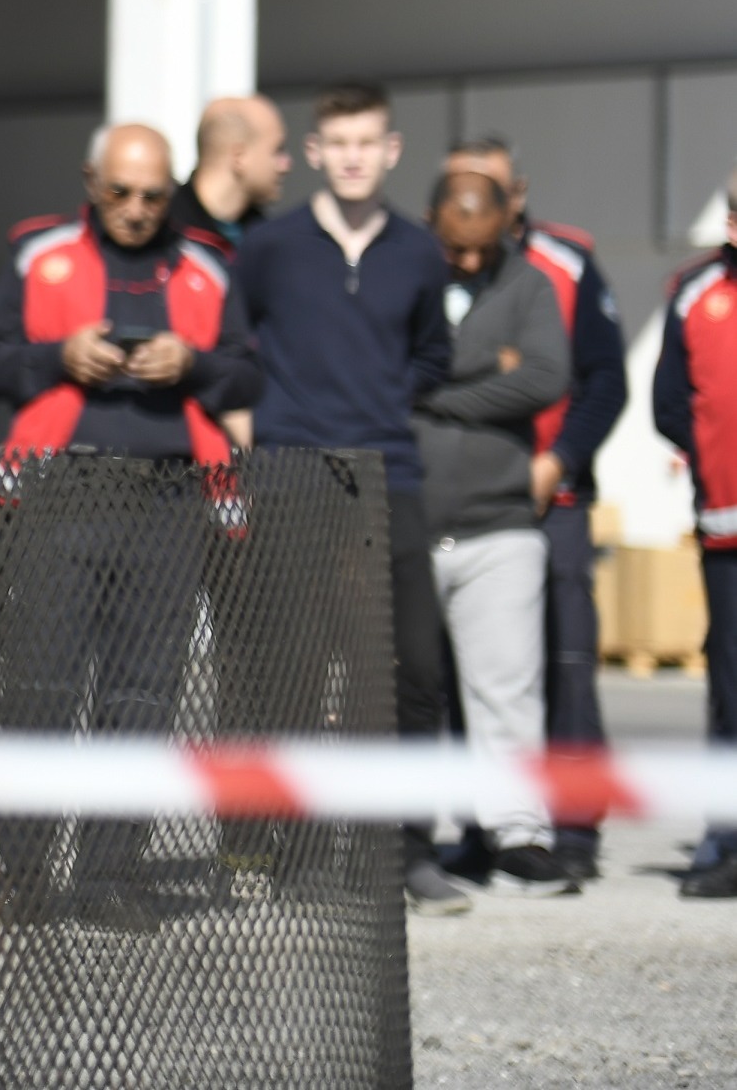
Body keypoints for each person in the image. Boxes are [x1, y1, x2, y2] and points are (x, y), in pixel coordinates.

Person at [0, 123, 261, 929]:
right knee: (38, 689)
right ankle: (21, 874)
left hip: (169, 498)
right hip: (62, 492)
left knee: (143, 694)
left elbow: (249, 369)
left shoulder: (204, 265)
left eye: (154, 196)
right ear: (90, 183)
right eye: (121, 192)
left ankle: (106, 874)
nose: (136, 210)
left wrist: (191, 365)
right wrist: (59, 358)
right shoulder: (40, 254)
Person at [232, 82, 459, 912]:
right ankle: (297, 856)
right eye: (341, 142)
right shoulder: (271, 247)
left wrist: (385, 401)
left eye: (370, 141)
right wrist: (262, 427)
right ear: (317, 153)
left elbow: (435, 352)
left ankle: (408, 854)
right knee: (292, 672)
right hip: (291, 472)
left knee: (413, 666)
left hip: (388, 473)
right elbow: (233, 342)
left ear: (392, 151)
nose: (355, 155)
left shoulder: (419, 252)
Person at [443, 136, 625, 877]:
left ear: (516, 194)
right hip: (466, 506)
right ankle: (488, 831)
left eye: (491, 188)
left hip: (555, 498)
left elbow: (604, 381)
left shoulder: (568, 264)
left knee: (565, 663)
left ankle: (574, 832)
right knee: (473, 672)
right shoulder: (429, 268)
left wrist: (560, 461)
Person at [413, 168, 578, 895]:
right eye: (457, 248)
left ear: (510, 221)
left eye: (486, 246)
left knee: (506, 687)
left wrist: (440, 393)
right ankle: (412, 836)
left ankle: (520, 835)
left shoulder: (531, 285)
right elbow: (381, 374)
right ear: (432, 222)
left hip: (498, 522)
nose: (472, 261)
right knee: (410, 694)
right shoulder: (402, 274)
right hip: (410, 524)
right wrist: (491, 372)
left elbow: (546, 376)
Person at [649, 168, 737, 901]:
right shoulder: (694, 292)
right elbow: (669, 404)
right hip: (728, 533)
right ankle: (729, 843)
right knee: (732, 694)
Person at [171, 93, 290, 256]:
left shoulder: (269, 239)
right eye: (277, 151)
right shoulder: (166, 232)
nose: (286, 165)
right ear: (239, 157)